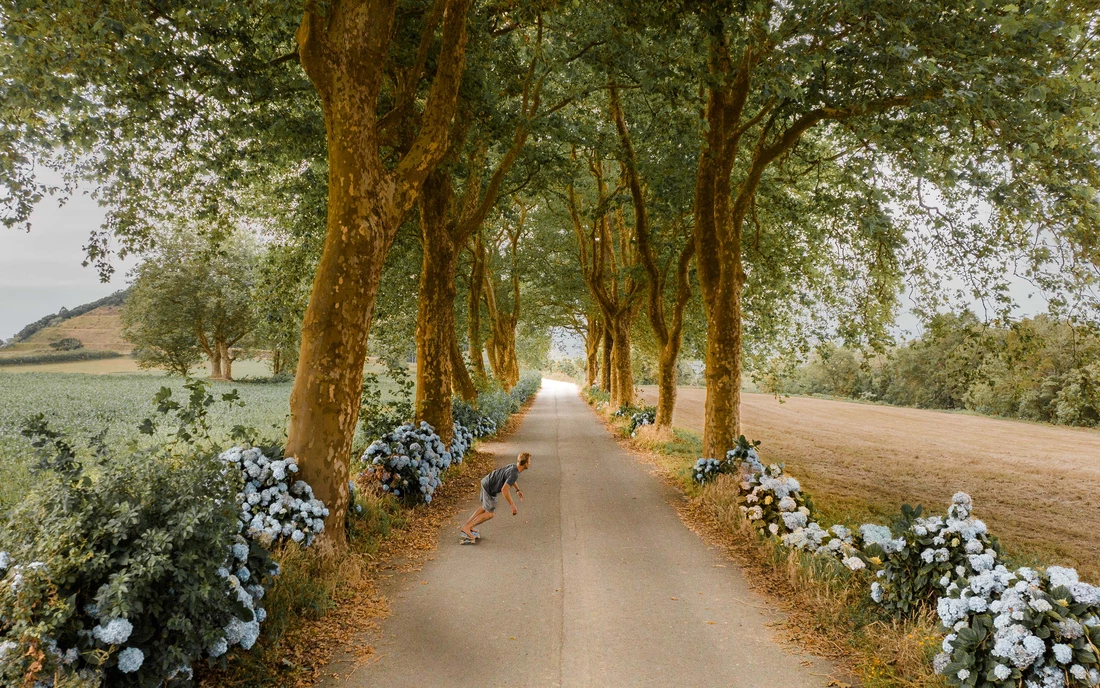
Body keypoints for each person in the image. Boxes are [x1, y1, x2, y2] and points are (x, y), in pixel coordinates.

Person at [460, 452, 530, 541]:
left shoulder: (514, 467)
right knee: (490, 514)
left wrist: (517, 490)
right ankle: (467, 527)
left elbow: (509, 480)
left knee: (484, 508)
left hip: (487, 481)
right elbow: (504, 490)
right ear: (525, 463)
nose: (530, 463)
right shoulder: (514, 474)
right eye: (529, 461)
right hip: (489, 487)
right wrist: (512, 505)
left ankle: (466, 526)